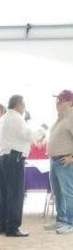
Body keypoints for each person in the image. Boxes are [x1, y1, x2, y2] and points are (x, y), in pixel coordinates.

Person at [0, 95, 43, 237]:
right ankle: (12, 227)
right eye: (24, 105)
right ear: (19, 105)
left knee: (4, 194)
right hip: (14, 158)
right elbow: (29, 136)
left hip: (2, 158)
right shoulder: (16, 118)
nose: (24, 108)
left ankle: (2, 226)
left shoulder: (3, 118)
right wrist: (42, 131)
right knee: (15, 194)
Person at [45, 89, 73, 235]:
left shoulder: (71, 117)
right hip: (54, 161)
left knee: (68, 193)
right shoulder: (61, 118)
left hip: (64, 161)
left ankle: (71, 223)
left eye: (60, 101)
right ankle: (61, 219)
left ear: (70, 102)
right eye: (57, 101)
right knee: (57, 193)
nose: (57, 103)